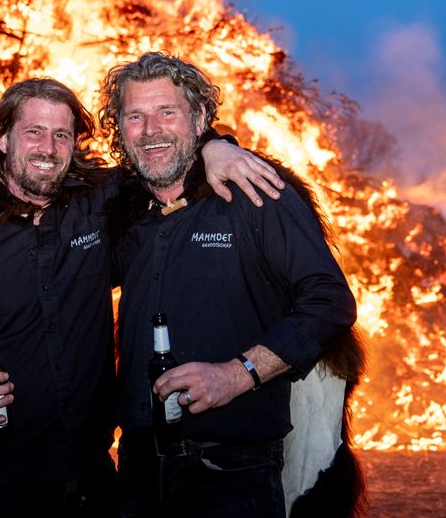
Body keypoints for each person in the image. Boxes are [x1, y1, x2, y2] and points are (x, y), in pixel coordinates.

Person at [0, 77, 281, 517]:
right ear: (4, 139)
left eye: (61, 135)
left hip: (93, 483)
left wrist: (216, 146)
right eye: (34, 132)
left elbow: (161, 149)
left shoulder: (100, 204)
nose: (48, 147)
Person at [99, 52, 358, 517]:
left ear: (199, 118)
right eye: (134, 116)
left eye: (167, 112)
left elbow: (329, 301)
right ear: (120, 128)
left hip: (232, 473)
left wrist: (237, 374)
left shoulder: (254, 192)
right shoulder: (123, 210)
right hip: (137, 468)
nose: (150, 129)